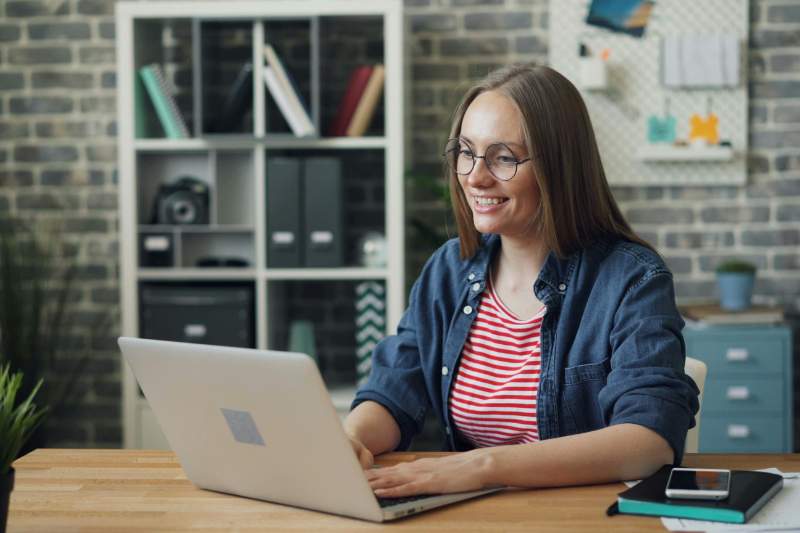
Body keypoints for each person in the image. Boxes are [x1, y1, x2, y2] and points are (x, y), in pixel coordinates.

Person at [344, 63, 700, 498]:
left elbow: (650, 441)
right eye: (466, 151)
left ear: (558, 167)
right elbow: (394, 390)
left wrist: (484, 466)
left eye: (504, 157)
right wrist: (352, 438)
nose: (475, 176)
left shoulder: (631, 278)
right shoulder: (449, 269)